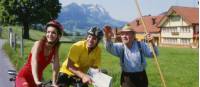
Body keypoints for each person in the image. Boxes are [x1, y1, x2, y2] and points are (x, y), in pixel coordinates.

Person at [16, 20, 63, 87]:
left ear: (58, 36)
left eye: (53, 33)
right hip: (24, 77)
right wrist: (36, 80)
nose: (50, 35)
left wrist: (54, 83)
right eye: (48, 32)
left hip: (38, 79)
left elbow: (56, 66)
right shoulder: (38, 44)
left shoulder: (55, 48)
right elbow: (34, 62)